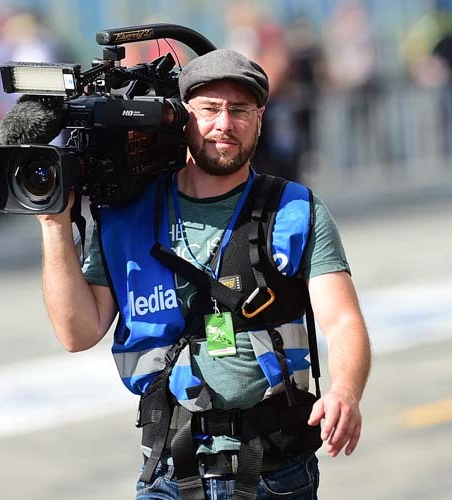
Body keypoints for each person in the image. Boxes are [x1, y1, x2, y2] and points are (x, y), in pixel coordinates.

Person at [37, 49, 371, 500]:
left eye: (240, 110)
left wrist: (346, 391)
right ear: (183, 118)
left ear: (260, 118)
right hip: (168, 470)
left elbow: (343, 320)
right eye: (210, 109)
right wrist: (54, 225)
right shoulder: (125, 217)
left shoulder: (294, 209)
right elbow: (77, 332)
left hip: (275, 470)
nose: (224, 124)